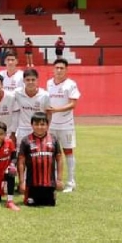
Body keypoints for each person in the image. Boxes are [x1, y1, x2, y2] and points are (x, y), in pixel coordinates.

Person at [46, 59, 81, 193]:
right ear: (53, 69)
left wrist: (56, 110)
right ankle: (54, 180)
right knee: (53, 153)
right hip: (52, 125)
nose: (59, 70)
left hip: (66, 125)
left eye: (62, 68)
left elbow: (73, 104)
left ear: (66, 70)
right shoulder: (49, 83)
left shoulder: (71, 84)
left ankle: (71, 182)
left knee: (68, 152)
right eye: (57, 68)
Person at [18, 112, 63, 206]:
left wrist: (59, 179)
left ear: (47, 125)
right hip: (32, 184)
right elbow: (21, 162)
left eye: (42, 124)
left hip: (49, 183)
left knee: (49, 204)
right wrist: (22, 182)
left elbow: (59, 159)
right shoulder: (26, 140)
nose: (39, 127)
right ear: (32, 125)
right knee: (31, 204)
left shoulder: (53, 139)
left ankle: (51, 194)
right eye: (36, 124)